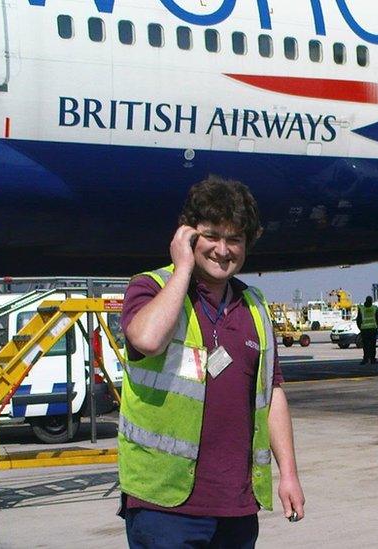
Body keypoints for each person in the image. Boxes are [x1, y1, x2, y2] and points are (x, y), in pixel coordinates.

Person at [119, 176, 305, 548]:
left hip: (236, 506)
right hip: (165, 504)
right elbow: (148, 339)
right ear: (188, 236)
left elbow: (272, 394)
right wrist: (182, 269)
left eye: (234, 239)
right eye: (212, 236)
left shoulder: (254, 306)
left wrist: (289, 474)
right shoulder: (152, 287)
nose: (223, 249)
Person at [355, 296, 378, 365]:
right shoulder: (374, 308)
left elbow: (358, 320)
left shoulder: (362, 308)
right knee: (372, 346)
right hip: (372, 330)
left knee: (366, 346)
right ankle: (372, 359)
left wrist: (360, 328)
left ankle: (366, 359)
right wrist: (376, 327)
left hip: (364, 330)